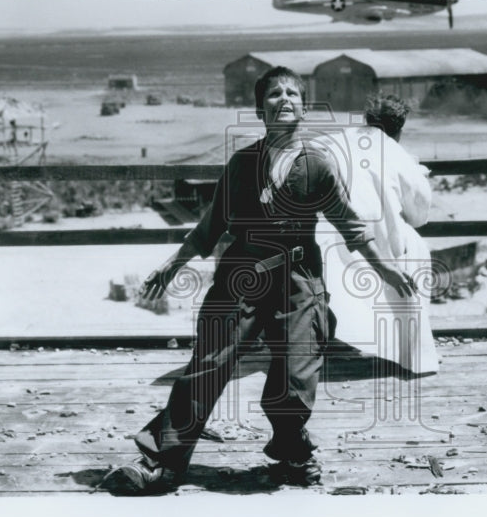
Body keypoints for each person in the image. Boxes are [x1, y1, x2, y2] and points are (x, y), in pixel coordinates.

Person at [108, 67, 416, 493]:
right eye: (274, 94)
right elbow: (209, 227)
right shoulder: (241, 165)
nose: (284, 98)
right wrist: (174, 262)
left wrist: (384, 267)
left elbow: (353, 227)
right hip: (242, 274)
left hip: (299, 277)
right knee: (209, 366)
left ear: (304, 107)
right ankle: (164, 463)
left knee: (297, 373)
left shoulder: (317, 167)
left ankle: (292, 454)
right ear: (260, 109)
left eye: (293, 93)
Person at [318, 94, 439, 375]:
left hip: (331, 236)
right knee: (415, 249)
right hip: (374, 240)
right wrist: (415, 173)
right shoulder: (396, 153)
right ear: (400, 127)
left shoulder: (337, 140)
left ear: (367, 120)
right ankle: (412, 355)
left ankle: (335, 338)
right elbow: (420, 215)